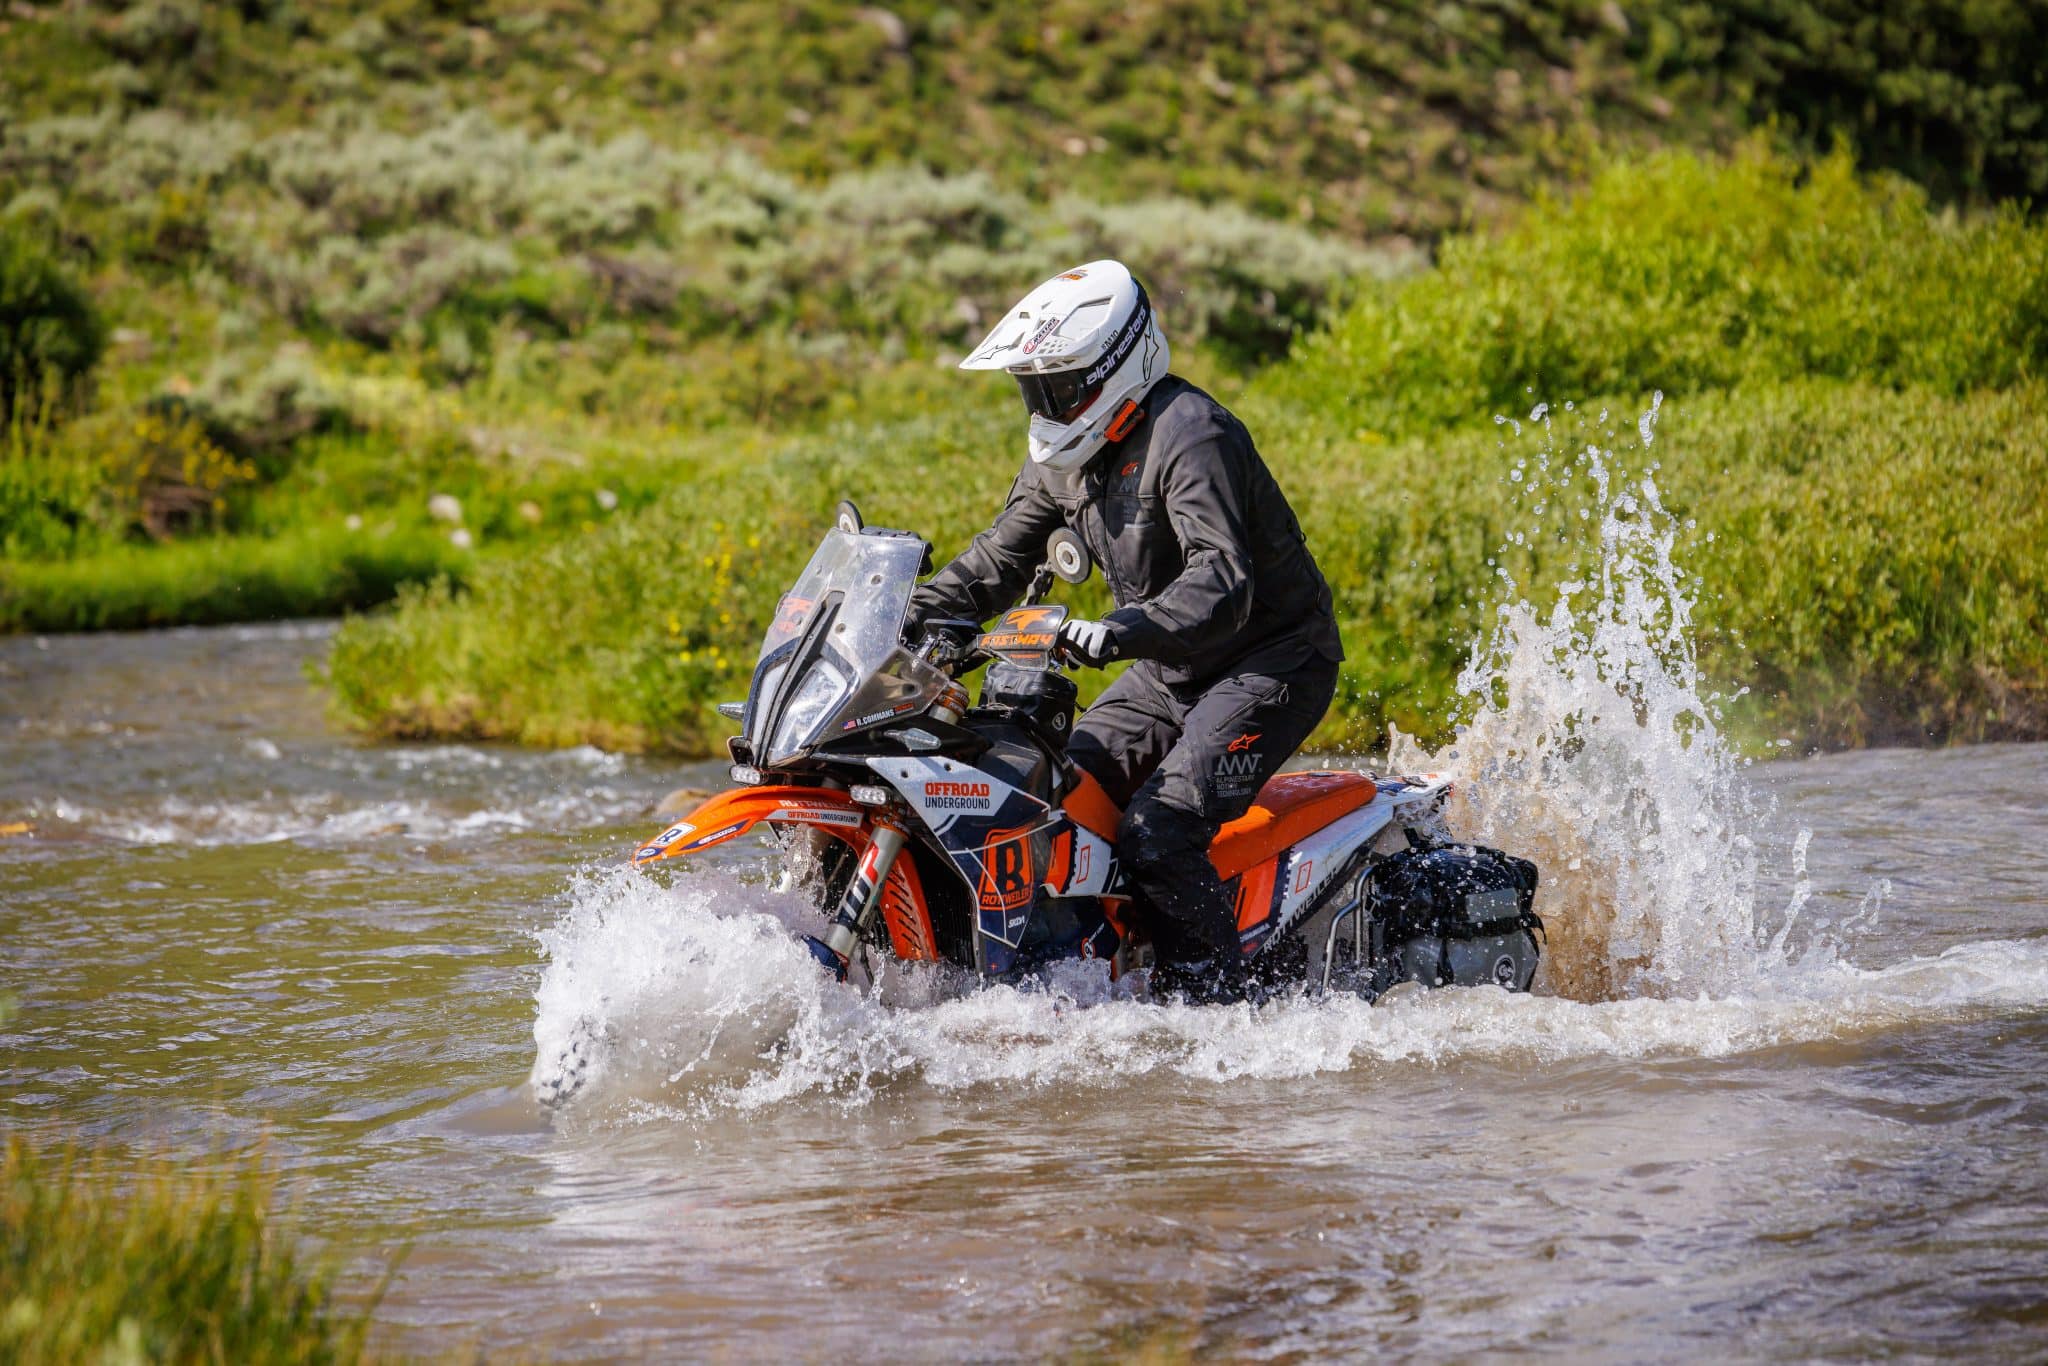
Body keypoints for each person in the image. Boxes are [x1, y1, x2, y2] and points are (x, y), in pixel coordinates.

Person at [907, 260, 1345, 998]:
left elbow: (1222, 578)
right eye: (1035, 390)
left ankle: (1215, 1007)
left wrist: (1119, 631)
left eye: (1059, 387)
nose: (1046, 406)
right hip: (1169, 669)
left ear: (1114, 367)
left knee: (1158, 830)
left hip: (1271, 662)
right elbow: (997, 560)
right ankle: (1093, 974)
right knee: (1046, 794)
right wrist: (905, 613)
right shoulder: (1062, 462)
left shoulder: (1193, 434)